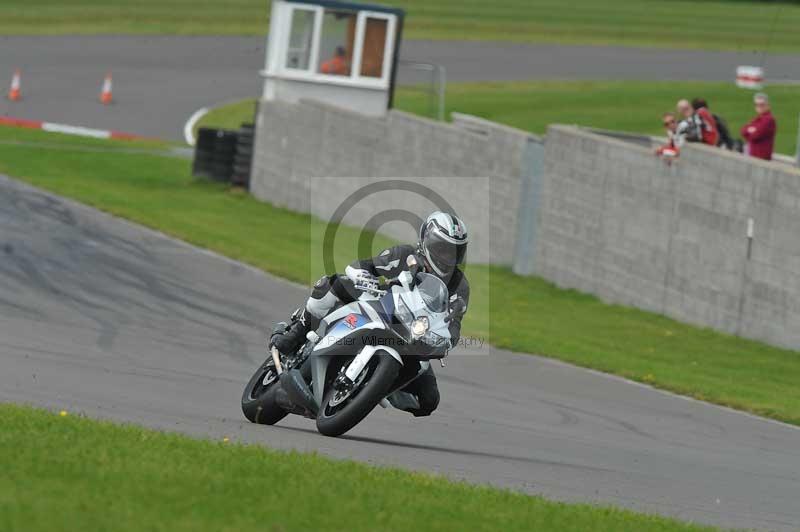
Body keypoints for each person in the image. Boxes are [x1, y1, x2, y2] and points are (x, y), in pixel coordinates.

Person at [270, 211, 470, 417]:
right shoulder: (404, 254)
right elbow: (365, 266)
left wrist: (448, 342)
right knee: (338, 283)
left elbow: (454, 325)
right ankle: (297, 332)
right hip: (382, 309)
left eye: (455, 251)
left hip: (415, 338)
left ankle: (374, 388)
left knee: (428, 400)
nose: (448, 257)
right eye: (443, 248)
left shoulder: (459, 286)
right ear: (427, 241)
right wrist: (363, 277)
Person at [741, 92, 777, 161]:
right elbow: (743, 130)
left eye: (762, 105)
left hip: (761, 158)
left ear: (768, 105)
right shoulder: (758, 119)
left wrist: (749, 131)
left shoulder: (769, 119)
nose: (759, 107)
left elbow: (756, 135)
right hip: (754, 156)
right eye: (756, 105)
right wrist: (750, 131)